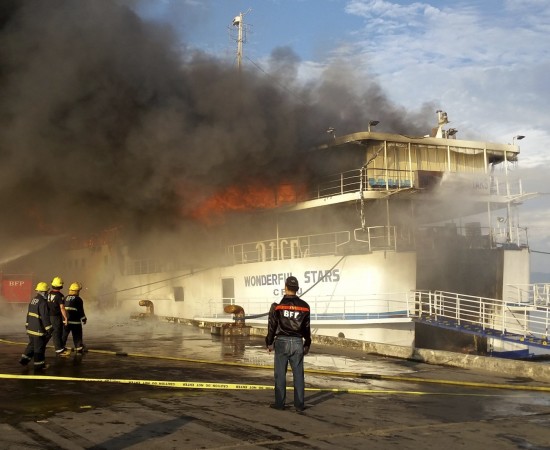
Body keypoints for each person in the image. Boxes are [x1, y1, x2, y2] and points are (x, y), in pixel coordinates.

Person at [265, 276, 311, 412]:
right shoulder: (305, 307)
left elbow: (272, 326)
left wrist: (269, 342)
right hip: (297, 342)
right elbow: (307, 328)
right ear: (297, 289)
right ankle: (299, 404)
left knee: (280, 374)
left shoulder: (278, 306)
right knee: (298, 375)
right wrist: (307, 344)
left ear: (285, 287)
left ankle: (280, 404)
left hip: (281, 342)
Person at [19, 282, 53, 371]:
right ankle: (39, 366)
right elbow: (45, 317)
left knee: (31, 345)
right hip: (38, 330)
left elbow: (28, 314)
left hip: (31, 328)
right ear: (44, 292)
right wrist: (49, 329)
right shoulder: (43, 302)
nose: (47, 293)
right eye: (47, 292)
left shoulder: (33, 300)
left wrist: (27, 324)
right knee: (39, 348)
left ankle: (24, 360)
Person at [62, 282, 87, 353]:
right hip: (75, 322)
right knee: (77, 336)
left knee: (64, 336)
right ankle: (79, 348)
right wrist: (84, 319)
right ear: (76, 291)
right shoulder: (78, 299)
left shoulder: (65, 298)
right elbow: (80, 311)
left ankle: (61, 348)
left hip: (65, 321)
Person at [47, 276, 70, 356]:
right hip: (56, 316)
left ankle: (60, 347)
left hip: (49, 315)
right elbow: (62, 308)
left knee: (57, 332)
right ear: (60, 286)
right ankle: (59, 350)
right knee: (56, 332)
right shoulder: (60, 295)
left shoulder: (49, 294)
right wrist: (65, 317)